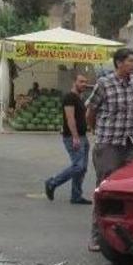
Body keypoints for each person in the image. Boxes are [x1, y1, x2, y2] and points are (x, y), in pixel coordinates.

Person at [86, 48, 133, 251]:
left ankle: (123, 237)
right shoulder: (104, 84)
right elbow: (91, 111)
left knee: (127, 191)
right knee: (104, 190)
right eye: (130, 61)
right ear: (118, 63)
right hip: (108, 144)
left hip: (129, 144)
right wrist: (96, 132)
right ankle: (97, 237)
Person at [45, 74, 91, 205]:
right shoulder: (69, 97)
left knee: (82, 168)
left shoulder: (79, 98)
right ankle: (52, 182)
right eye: (81, 81)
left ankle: (76, 196)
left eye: (85, 82)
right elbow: (70, 118)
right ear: (74, 82)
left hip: (83, 136)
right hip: (73, 137)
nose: (84, 84)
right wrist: (75, 137)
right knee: (78, 166)